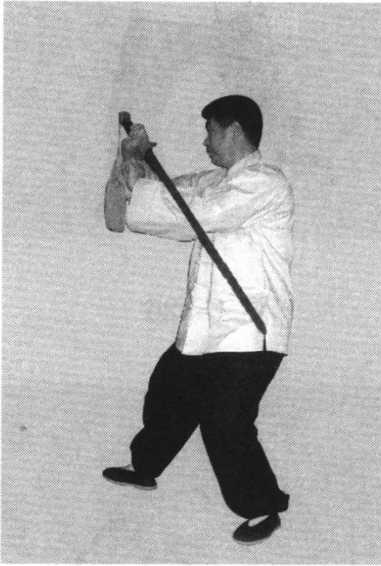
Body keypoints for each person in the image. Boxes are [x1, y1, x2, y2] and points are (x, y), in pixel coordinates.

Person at [102, 95, 295, 544]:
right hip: (205, 329)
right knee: (169, 390)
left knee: (226, 421)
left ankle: (262, 505)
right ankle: (145, 467)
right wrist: (134, 159)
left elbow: (198, 213)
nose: (205, 141)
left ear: (234, 131)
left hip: (249, 331)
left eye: (210, 131)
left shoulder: (264, 183)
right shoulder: (215, 181)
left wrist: (144, 191)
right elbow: (169, 193)